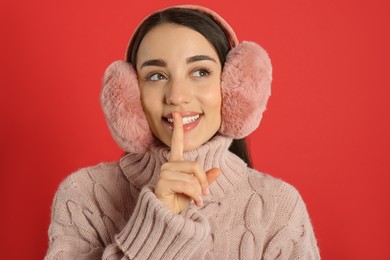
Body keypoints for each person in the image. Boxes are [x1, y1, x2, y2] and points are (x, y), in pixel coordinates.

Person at [45, 5, 320, 259]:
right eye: (156, 76)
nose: (177, 96)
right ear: (130, 97)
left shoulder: (278, 207)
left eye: (200, 72)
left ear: (234, 86)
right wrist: (159, 223)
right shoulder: (84, 195)